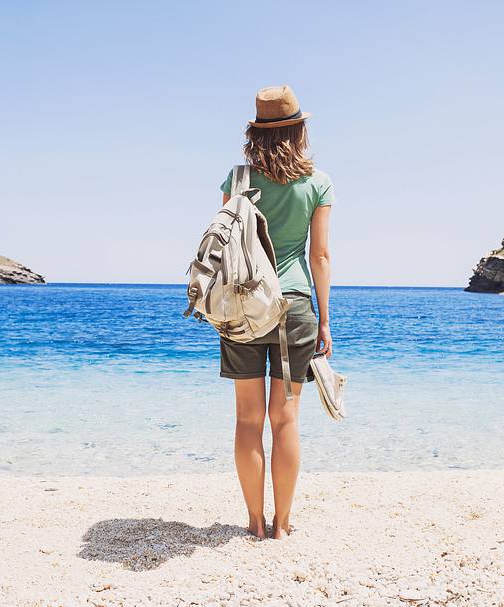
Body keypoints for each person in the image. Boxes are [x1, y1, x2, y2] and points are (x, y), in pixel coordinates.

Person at [218, 85, 334, 540]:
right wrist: (324, 320)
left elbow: (225, 248)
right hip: (295, 305)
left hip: (244, 307)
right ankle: (283, 525)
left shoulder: (238, 180)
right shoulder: (317, 182)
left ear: (256, 132)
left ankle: (254, 524)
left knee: (247, 419)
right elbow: (320, 256)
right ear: (300, 129)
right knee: (285, 419)